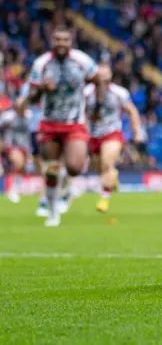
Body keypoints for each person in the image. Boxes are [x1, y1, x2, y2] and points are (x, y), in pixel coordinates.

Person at [15, 26, 105, 227]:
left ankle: (66, 183)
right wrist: (42, 91)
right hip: (49, 123)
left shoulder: (82, 60)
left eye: (65, 40)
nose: (61, 44)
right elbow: (32, 96)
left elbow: (99, 80)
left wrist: (97, 107)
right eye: (57, 40)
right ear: (51, 41)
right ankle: (53, 212)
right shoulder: (41, 64)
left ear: (70, 41)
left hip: (74, 123)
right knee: (51, 169)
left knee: (74, 168)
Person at [85, 62, 144, 213]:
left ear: (111, 75)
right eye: (100, 73)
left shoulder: (120, 92)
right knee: (100, 168)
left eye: (106, 73)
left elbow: (132, 111)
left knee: (106, 164)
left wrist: (137, 131)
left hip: (112, 133)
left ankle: (104, 198)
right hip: (93, 135)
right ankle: (113, 177)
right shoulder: (86, 92)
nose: (103, 76)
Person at [0, 107, 32, 203]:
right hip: (11, 144)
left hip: (25, 146)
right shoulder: (8, 116)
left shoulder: (29, 115)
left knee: (20, 168)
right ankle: (12, 190)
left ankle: (13, 190)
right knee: (17, 162)